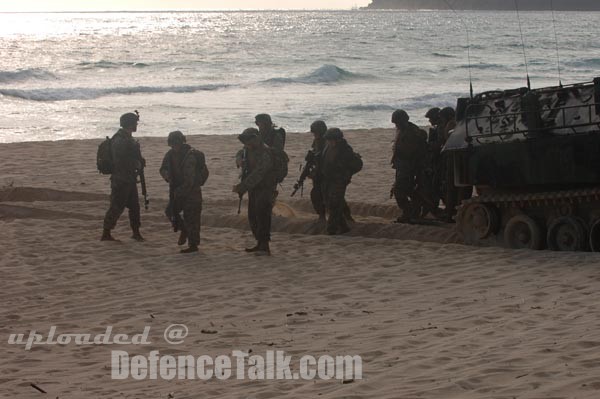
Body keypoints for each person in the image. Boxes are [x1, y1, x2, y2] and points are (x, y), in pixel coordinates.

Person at [159, 131, 209, 253]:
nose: (174, 145)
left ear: (182, 141)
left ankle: (193, 245)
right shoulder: (170, 154)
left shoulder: (190, 156)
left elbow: (190, 180)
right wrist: (167, 176)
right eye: (172, 143)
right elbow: (162, 168)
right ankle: (184, 230)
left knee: (192, 218)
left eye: (176, 142)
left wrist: (180, 191)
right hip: (177, 190)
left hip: (191, 192)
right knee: (170, 211)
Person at [101, 112, 145, 242]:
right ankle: (106, 233)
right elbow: (120, 160)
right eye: (135, 123)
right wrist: (136, 162)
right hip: (121, 179)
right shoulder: (120, 140)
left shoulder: (127, 138)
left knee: (134, 207)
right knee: (116, 206)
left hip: (129, 178)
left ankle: (136, 232)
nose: (136, 125)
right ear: (129, 124)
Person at [233, 128, 276, 256]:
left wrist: (243, 186)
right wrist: (239, 160)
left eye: (249, 140)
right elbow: (239, 153)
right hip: (254, 188)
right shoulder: (247, 150)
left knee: (262, 215)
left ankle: (264, 244)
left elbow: (259, 173)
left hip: (265, 188)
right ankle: (259, 242)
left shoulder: (266, 152)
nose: (247, 143)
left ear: (256, 138)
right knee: (253, 215)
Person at [390, 109, 427, 224]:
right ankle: (413, 212)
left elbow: (411, 153)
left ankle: (409, 212)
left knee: (399, 190)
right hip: (403, 166)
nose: (396, 125)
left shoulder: (412, 132)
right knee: (408, 189)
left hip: (408, 167)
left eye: (397, 122)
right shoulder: (404, 130)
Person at [321, 128, 359, 235]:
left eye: (331, 140)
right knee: (329, 203)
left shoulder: (345, 150)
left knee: (334, 203)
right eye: (328, 140)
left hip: (339, 180)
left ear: (337, 139)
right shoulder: (328, 147)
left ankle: (331, 229)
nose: (329, 142)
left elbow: (351, 166)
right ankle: (344, 226)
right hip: (328, 179)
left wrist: (343, 176)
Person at [308, 120, 327, 220]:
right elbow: (314, 155)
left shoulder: (328, 142)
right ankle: (321, 215)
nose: (314, 134)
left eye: (316, 132)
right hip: (319, 173)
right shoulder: (317, 141)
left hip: (327, 174)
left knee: (330, 197)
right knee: (316, 195)